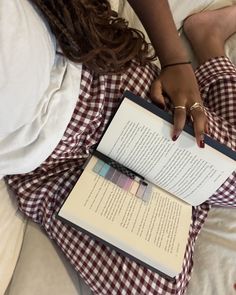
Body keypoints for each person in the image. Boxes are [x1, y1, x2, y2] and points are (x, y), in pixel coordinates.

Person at [2, 0, 236, 294]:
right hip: (44, 164)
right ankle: (189, 196)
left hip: (94, 83)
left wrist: (175, 61)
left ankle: (208, 38)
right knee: (160, 280)